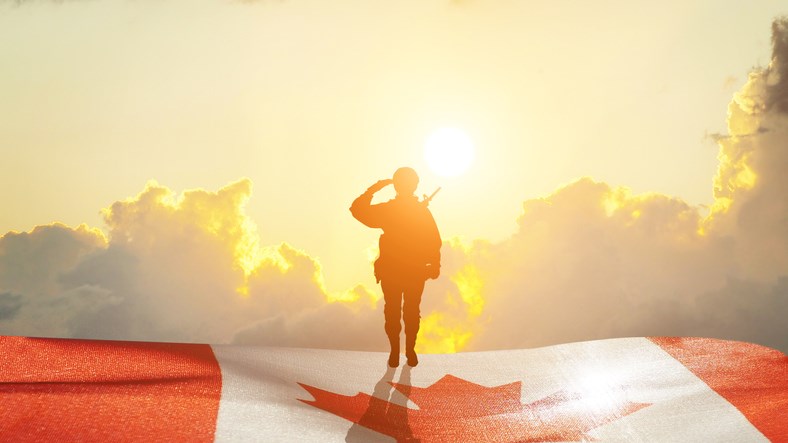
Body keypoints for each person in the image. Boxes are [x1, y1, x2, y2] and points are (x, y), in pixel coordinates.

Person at [350, 167, 441, 367]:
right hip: (400, 269)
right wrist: (434, 264)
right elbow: (357, 211)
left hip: (408, 269)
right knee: (401, 311)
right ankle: (399, 351)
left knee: (403, 311)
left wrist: (434, 263)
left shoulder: (404, 211)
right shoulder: (398, 210)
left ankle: (407, 350)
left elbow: (434, 240)